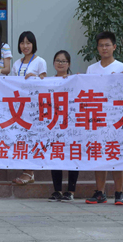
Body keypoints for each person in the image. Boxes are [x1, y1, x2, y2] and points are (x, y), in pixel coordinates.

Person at [84, 31, 123, 206]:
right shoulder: (91, 69)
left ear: (114, 47)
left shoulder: (122, 68)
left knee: (116, 153)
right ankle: (100, 192)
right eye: (101, 45)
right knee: (98, 154)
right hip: (97, 117)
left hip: (116, 118)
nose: (104, 48)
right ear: (97, 48)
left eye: (107, 45)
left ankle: (119, 192)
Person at [11, 31, 47, 185]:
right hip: (19, 106)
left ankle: (30, 172)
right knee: (21, 137)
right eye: (22, 43)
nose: (25, 46)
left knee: (31, 137)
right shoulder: (16, 64)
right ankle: (26, 170)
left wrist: (35, 77)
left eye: (28, 43)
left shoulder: (40, 61)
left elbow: (45, 82)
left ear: (33, 44)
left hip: (34, 106)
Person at [47, 50, 78, 202]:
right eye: (58, 60)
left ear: (69, 64)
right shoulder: (47, 81)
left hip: (72, 124)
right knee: (56, 155)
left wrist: (77, 79)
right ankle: (57, 190)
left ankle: (70, 191)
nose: (60, 63)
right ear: (53, 63)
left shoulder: (74, 80)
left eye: (64, 61)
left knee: (72, 155)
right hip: (54, 124)